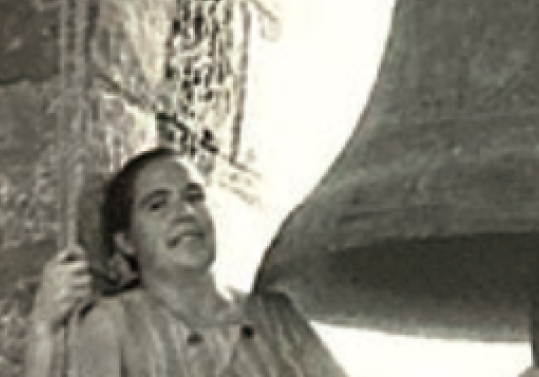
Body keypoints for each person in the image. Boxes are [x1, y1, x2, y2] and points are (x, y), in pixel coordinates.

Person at [26, 148, 348, 377]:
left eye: (194, 197)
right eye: (157, 205)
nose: (184, 213)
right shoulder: (112, 325)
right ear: (126, 241)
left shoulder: (277, 318)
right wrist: (43, 330)